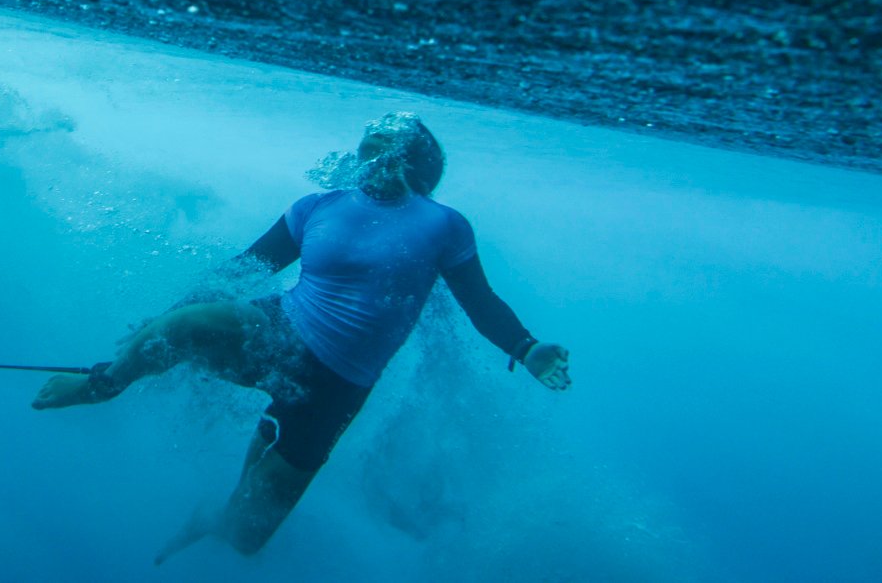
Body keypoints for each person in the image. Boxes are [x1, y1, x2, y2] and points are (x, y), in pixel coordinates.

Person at [32, 112, 571, 562]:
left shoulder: (443, 225)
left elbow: (480, 301)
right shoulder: (316, 206)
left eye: (382, 146)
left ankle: (215, 517)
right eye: (364, 146)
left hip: (336, 389)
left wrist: (526, 348)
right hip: (281, 330)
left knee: (245, 537)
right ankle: (101, 385)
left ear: (414, 159)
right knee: (187, 326)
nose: (367, 155)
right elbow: (242, 269)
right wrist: (161, 317)